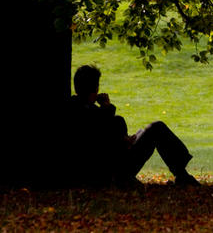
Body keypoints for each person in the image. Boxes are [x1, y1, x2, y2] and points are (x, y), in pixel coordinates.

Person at [67, 64, 200, 188]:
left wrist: (123, 139)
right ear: (93, 89)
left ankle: (181, 173)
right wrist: (107, 108)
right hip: (111, 171)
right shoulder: (85, 111)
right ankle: (181, 173)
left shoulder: (81, 107)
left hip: (113, 165)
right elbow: (100, 136)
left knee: (154, 128)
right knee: (157, 129)